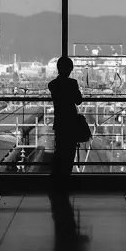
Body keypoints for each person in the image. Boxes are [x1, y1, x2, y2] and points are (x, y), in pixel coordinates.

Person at [48, 56, 83, 191]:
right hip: (71, 121)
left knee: (59, 151)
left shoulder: (52, 84)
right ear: (70, 69)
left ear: (58, 68)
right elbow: (78, 100)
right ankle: (66, 180)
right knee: (69, 152)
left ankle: (57, 180)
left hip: (60, 121)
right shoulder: (73, 83)